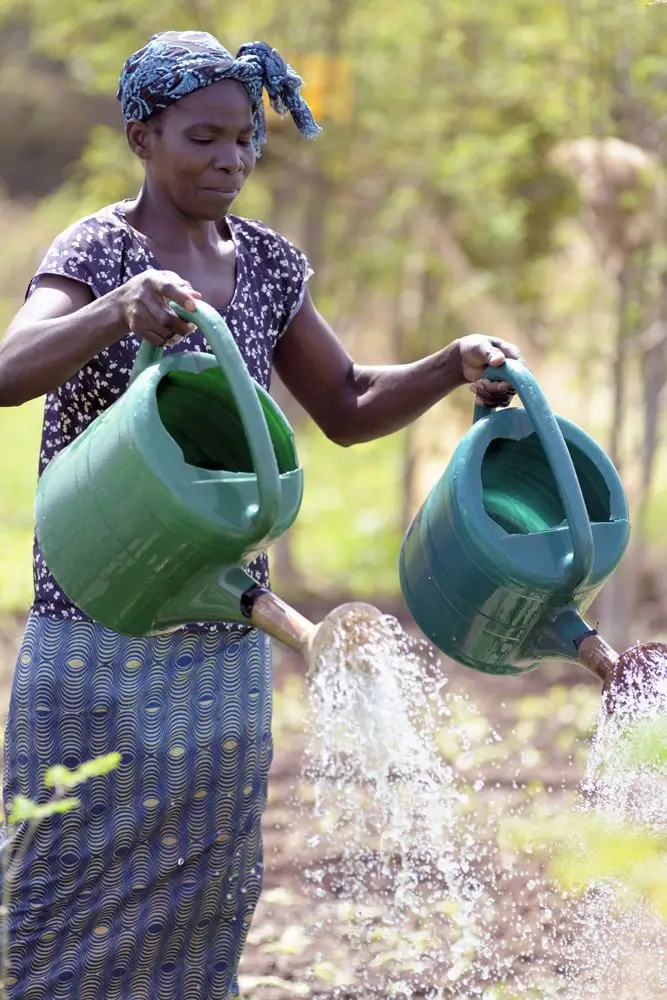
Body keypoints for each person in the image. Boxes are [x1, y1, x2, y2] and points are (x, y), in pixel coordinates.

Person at [0, 30, 521, 1000]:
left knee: (200, 898)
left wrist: (452, 365)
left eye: (245, 140)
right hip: (95, 624)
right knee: (59, 885)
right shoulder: (99, 252)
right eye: (203, 137)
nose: (229, 160)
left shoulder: (268, 264)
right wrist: (119, 309)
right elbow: (8, 370)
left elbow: (350, 403)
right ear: (140, 136)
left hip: (221, 646)